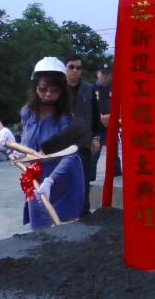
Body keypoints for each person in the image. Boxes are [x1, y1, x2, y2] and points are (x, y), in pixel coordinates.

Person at [20, 57, 85, 229]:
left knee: (65, 230)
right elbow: (25, 143)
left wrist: (51, 180)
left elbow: (70, 155)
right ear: (35, 87)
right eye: (43, 88)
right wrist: (18, 153)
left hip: (64, 181)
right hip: (37, 182)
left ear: (62, 92)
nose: (48, 93)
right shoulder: (27, 113)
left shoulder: (67, 119)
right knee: (40, 232)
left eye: (54, 90)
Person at [64, 54, 102, 216]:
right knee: (65, 177)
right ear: (65, 68)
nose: (74, 71)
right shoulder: (57, 89)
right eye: (71, 67)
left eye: (78, 68)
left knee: (84, 178)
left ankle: (84, 212)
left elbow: (95, 115)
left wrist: (96, 137)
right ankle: (65, 212)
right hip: (63, 142)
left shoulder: (88, 89)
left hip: (84, 141)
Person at [93, 62, 121, 176]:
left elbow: (122, 106)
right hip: (96, 126)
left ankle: (117, 179)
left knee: (113, 155)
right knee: (94, 154)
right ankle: (90, 181)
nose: (104, 75)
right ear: (97, 74)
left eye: (107, 73)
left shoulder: (116, 89)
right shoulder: (91, 89)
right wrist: (98, 116)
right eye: (102, 73)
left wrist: (111, 116)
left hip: (112, 124)